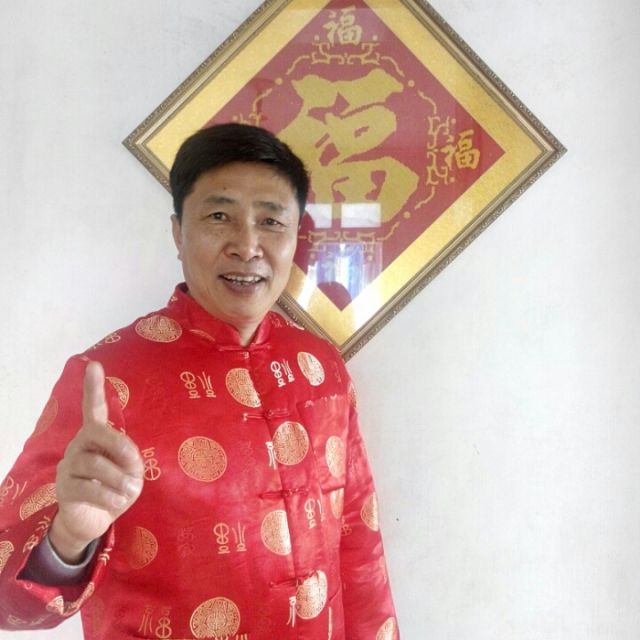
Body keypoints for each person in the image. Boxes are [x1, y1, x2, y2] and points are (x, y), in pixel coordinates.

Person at [0, 123, 398, 639]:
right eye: (219, 216)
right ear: (178, 233)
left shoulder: (320, 366)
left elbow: (360, 545)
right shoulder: (107, 378)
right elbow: (8, 604)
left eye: (271, 221)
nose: (247, 246)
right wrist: (67, 541)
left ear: (295, 236)